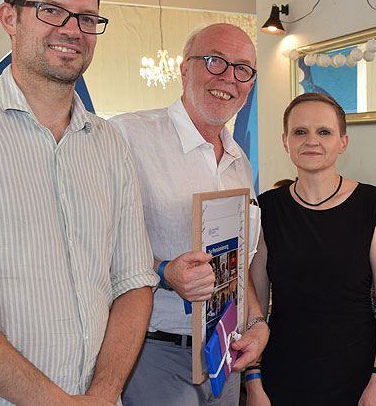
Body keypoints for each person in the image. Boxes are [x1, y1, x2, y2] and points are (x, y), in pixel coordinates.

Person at [0, 0, 157, 405]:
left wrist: (104, 393)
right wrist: (51, 400)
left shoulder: (110, 145)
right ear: (10, 18)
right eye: (51, 10)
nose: (73, 30)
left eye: (88, 17)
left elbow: (133, 282)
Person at [109, 23, 269, 406]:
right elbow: (92, 245)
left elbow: (235, 263)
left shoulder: (239, 163)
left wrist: (257, 323)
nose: (228, 78)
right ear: (184, 69)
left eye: (242, 69)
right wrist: (164, 272)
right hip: (153, 354)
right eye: (215, 61)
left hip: (224, 355)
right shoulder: (126, 137)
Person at [253, 92, 376, 405]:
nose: (312, 141)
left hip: (358, 376)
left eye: (324, 132)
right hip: (282, 374)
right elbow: (254, 308)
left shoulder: (373, 205)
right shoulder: (265, 209)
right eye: (300, 132)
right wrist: (254, 383)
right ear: (285, 141)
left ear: (342, 142)